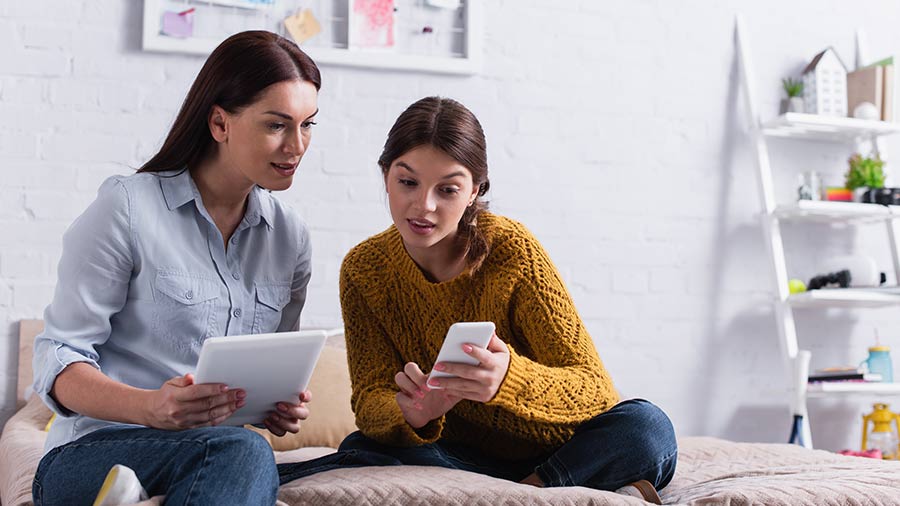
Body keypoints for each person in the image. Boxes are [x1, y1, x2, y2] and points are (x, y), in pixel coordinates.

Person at [335, 97, 678, 503]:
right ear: (385, 175)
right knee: (359, 447)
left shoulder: (512, 251)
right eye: (407, 182)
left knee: (647, 427)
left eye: (447, 189)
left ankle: (528, 491)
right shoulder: (363, 269)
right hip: (459, 456)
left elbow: (595, 392)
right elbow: (370, 399)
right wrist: (411, 412)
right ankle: (551, 492)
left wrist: (507, 379)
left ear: (474, 191)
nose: (423, 205)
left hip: (558, 450)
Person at [31, 31, 322, 505]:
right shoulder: (127, 207)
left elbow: (265, 371)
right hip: (94, 449)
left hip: (215, 450)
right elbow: (57, 359)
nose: (298, 145)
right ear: (219, 123)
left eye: (308, 125)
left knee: (248, 452)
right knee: (247, 454)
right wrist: (151, 408)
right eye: (277, 125)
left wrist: (273, 406)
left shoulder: (290, 238)